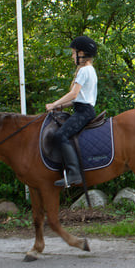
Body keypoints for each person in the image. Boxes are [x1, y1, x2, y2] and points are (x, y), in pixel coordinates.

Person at [46, 35, 98, 187]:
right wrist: (61, 106)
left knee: (60, 135)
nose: (72, 56)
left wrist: (54, 103)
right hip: (83, 109)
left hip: (84, 112)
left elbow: (74, 94)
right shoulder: (90, 70)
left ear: (83, 53)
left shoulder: (84, 71)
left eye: (74, 52)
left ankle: (74, 174)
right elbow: (78, 98)